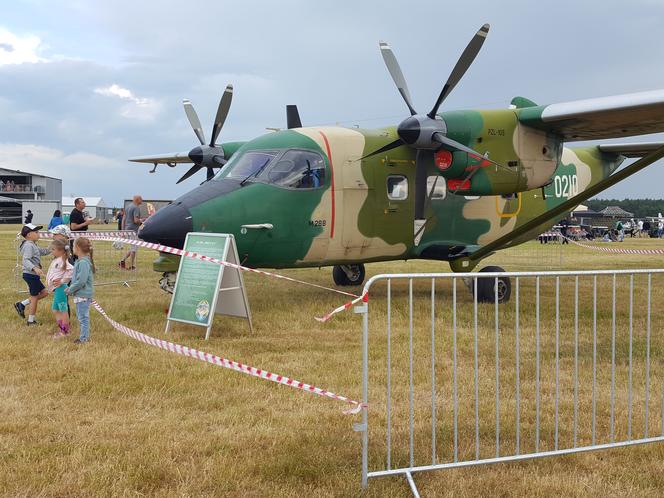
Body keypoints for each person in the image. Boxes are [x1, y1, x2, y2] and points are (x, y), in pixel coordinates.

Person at [14, 223, 50, 325]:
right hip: (31, 275)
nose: (39, 234)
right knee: (34, 297)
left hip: (32, 275)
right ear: (29, 235)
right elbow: (25, 260)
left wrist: (52, 247)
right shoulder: (29, 245)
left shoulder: (32, 244)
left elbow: (42, 252)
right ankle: (31, 321)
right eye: (36, 232)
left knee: (45, 292)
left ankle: (21, 304)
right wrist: (34, 268)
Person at [66, 237, 95, 344]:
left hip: (83, 294)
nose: (72, 248)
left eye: (73, 246)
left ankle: (84, 339)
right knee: (81, 317)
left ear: (77, 248)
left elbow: (81, 280)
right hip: (81, 294)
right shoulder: (81, 261)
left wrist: (70, 289)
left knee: (83, 318)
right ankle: (84, 337)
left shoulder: (83, 263)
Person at [46, 239, 74, 337]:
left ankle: (64, 332)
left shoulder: (62, 260)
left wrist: (62, 281)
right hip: (57, 289)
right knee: (55, 310)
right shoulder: (57, 260)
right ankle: (62, 329)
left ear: (61, 250)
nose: (52, 251)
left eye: (53, 249)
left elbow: (72, 270)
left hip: (61, 288)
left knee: (63, 310)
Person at [119, 195, 144, 270]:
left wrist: (123, 231)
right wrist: (142, 220)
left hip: (127, 230)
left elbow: (123, 219)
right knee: (134, 249)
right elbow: (136, 220)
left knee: (133, 247)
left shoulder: (128, 207)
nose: (142, 200)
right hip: (133, 231)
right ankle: (132, 266)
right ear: (137, 200)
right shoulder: (136, 208)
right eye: (141, 199)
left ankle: (122, 261)